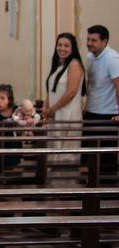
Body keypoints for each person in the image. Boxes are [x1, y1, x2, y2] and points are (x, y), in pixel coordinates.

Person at [44, 33, 84, 176]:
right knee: (55, 153)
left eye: (66, 45)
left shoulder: (74, 64)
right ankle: (54, 189)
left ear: (72, 48)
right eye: (59, 45)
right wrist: (46, 107)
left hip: (68, 116)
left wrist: (52, 109)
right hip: (58, 115)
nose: (62, 48)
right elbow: (52, 88)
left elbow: (71, 92)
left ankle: (67, 190)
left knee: (66, 155)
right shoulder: (59, 65)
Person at [84, 26, 119, 169]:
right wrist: (86, 105)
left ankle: (107, 188)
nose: (89, 43)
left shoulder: (112, 58)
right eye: (88, 39)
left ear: (104, 42)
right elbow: (90, 84)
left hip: (108, 114)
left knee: (106, 159)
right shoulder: (89, 57)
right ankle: (89, 187)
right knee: (89, 154)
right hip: (92, 111)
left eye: (94, 40)